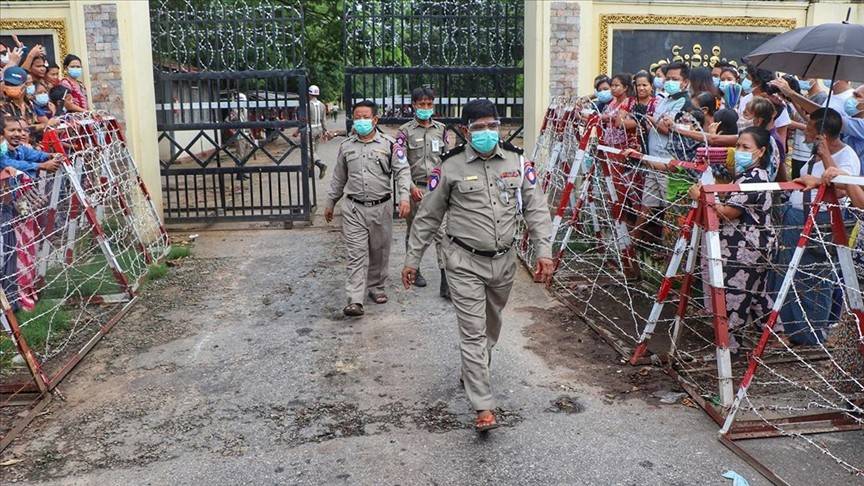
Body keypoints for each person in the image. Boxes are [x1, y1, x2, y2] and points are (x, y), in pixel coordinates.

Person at [401, 99, 553, 432]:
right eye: (479, 127)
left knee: (491, 326)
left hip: (504, 261)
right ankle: (483, 406)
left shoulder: (516, 160)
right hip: (463, 260)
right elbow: (427, 217)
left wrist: (544, 251)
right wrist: (413, 259)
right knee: (472, 333)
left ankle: (472, 369)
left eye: (492, 125)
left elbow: (536, 210)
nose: (487, 132)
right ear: (466, 131)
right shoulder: (450, 167)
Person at [775, 108, 861, 346]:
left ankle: (812, 333)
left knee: (815, 275)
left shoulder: (847, 156)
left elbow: (845, 189)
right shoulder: (812, 155)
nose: (805, 129)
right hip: (796, 215)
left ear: (822, 133)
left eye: (810, 127)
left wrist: (826, 156)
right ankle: (794, 331)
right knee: (789, 272)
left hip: (821, 220)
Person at [687, 126, 776, 353]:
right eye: (738, 146)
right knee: (755, 296)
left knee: (735, 298)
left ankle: (730, 349)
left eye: (746, 147)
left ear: (761, 151)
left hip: (747, 249)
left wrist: (702, 196)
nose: (739, 151)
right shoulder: (746, 175)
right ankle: (773, 338)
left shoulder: (755, 178)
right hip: (746, 246)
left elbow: (727, 212)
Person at [324, 100, 411, 317]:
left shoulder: (390, 145)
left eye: (365, 117)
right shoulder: (346, 146)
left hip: (381, 207)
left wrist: (404, 197)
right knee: (356, 254)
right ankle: (355, 299)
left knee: (379, 251)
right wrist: (330, 202)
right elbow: (338, 177)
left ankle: (376, 287)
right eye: (357, 117)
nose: (361, 121)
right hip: (353, 207)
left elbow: (402, 172)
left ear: (374, 119)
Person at [395, 87, 449, 296]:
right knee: (415, 231)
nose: (425, 108)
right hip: (415, 188)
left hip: (437, 190)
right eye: (421, 104)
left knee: (442, 233)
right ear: (414, 105)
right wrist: (410, 188)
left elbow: (446, 159)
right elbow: (401, 164)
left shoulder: (441, 129)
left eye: (429, 104)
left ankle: (445, 280)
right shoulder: (405, 131)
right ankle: (414, 268)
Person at [306, 84, 329, 179]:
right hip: (319, 129)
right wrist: (325, 131)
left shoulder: (307, 105)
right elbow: (324, 120)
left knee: (308, 150)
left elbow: (304, 120)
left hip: (309, 129)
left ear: (309, 94)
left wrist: (298, 131)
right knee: (314, 150)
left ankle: (320, 164)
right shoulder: (322, 105)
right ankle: (310, 171)